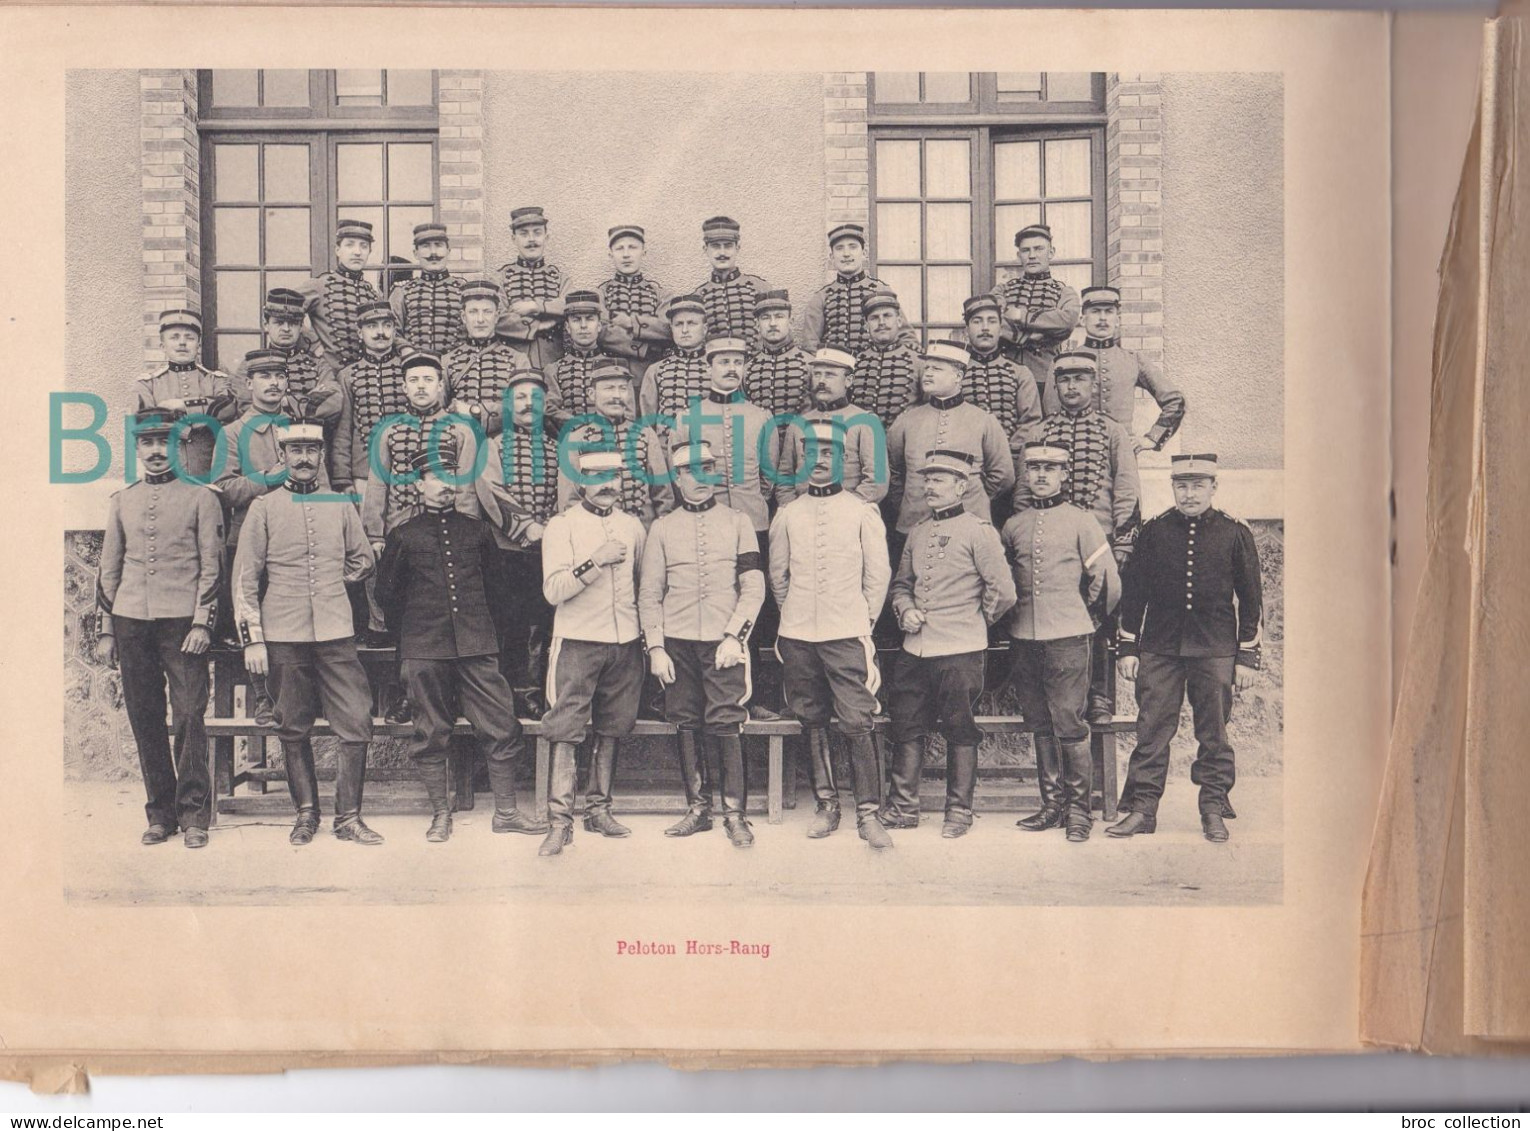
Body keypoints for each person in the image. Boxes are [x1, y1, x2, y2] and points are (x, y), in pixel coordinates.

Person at [375, 443, 548, 843]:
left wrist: (486, 637)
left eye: (451, 477)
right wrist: (416, 639)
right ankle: (440, 814)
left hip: (476, 644)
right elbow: (387, 597)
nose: (445, 486)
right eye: (435, 478)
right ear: (419, 484)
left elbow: (498, 592)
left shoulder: (477, 530)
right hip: (424, 647)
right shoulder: (403, 535)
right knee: (431, 730)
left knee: (503, 725)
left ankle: (505, 812)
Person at [233, 416, 381, 846]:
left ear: (319, 457)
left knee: (356, 721)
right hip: (282, 632)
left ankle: (348, 817)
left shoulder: (340, 504)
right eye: (295, 451)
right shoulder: (263, 507)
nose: (303, 458)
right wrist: (253, 637)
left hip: (335, 630)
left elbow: (363, 559)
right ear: (282, 456)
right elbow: (245, 578)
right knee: (292, 725)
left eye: (311, 451)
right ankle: (305, 814)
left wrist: (335, 585)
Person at [1110, 454, 1264, 844]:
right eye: (1182, 485)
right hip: (1160, 647)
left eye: (1198, 485)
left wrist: (1246, 656)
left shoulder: (1234, 533)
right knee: (1152, 729)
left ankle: (1213, 807)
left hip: (1215, 647)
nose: (1189, 493)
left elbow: (1251, 600)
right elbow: (1134, 595)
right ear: (1173, 487)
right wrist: (1129, 647)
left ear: (1214, 487)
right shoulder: (1155, 532)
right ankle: (1143, 809)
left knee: (1213, 731)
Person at [95, 409, 223, 849]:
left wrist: (204, 622)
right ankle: (160, 814)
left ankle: (194, 816)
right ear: (137, 449)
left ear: (178, 448)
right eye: (146, 444)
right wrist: (108, 630)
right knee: (144, 715)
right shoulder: (122, 500)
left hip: (182, 624)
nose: (155, 452)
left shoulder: (201, 498)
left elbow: (212, 569)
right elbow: (108, 573)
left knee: (189, 715)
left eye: (164, 443)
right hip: (132, 622)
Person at [769, 421, 894, 850]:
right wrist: (798, 616)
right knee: (812, 716)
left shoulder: (861, 512)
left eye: (828, 455)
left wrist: (860, 621)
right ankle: (827, 805)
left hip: (847, 630)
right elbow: (779, 577)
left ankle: (869, 812)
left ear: (843, 460)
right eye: (811, 454)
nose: (819, 463)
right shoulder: (788, 514)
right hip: (799, 632)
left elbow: (878, 576)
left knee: (858, 719)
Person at [639, 440, 765, 848]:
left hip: (723, 640)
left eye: (707, 468)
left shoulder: (738, 521)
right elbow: (649, 593)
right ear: (677, 478)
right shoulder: (661, 528)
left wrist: (736, 636)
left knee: (727, 719)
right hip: (676, 642)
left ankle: (735, 813)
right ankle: (698, 810)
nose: (700, 478)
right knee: (685, 719)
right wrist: (655, 647)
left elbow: (753, 585)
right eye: (691, 471)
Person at [884, 450, 1016, 837]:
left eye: (939, 480)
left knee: (960, 727)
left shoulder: (979, 531)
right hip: (916, 648)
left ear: (962, 486)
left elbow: (1003, 591)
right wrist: (904, 609)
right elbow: (902, 584)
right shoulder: (919, 531)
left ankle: (959, 811)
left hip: (960, 649)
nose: (930, 486)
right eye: (927, 479)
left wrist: (976, 621)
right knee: (906, 724)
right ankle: (904, 807)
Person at [1002, 441, 1121, 842]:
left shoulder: (1081, 521)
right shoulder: (1014, 525)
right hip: (1024, 637)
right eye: (1033, 468)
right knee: (1039, 723)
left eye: (1049, 470)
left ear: (1063, 475)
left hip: (1068, 636)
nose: (1040, 475)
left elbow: (1107, 582)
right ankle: (1051, 805)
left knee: (1069, 723)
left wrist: (1085, 617)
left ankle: (1078, 811)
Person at [1016, 351, 1140, 724]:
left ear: (1092, 384)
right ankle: (1051, 696)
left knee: (1099, 614)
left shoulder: (1112, 431)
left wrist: (1122, 542)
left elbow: (1127, 488)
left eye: (1080, 379)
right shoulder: (1040, 432)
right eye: (1065, 380)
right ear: (1055, 386)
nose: (1072, 386)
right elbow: (1024, 492)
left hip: (1098, 536)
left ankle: (1099, 694)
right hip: (1050, 540)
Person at [539, 448, 649, 856]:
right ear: (581, 481)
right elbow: (553, 591)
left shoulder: (633, 526)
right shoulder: (562, 525)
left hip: (624, 642)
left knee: (613, 725)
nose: (607, 485)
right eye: (597, 477)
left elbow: (642, 585)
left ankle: (598, 810)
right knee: (566, 728)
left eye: (614, 476)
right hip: (578, 639)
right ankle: (559, 822)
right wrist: (594, 562)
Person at [215, 350, 336, 719]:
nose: (273, 383)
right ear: (249, 384)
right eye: (264, 377)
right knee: (253, 614)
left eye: (279, 376)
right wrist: (267, 479)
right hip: (248, 534)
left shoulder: (300, 429)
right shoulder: (232, 432)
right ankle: (265, 697)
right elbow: (223, 487)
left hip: (300, 534)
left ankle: (304, 695)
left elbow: (325, 485)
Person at [475, 367, 560, 717]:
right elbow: (490, 488)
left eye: (535, 398)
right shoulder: (493, 446)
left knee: (541, 625)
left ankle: (533, 694)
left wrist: (551, 527)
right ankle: (503, 699)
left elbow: (566, 492)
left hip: (549, 549)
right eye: (520, 398)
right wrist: (525, 526)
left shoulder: (557, 448)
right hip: (507, 548)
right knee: (507, 623)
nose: (528, 404)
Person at [885, 340, 1016, 536]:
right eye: (927, 367)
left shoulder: (983, 420)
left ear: (958, 376)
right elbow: (893, 469)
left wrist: (971, 495)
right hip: (914, 524)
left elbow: (1003, 475)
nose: (927, 373)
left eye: (937, 369)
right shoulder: (906, 421)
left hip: (969, 524)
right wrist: (908, 501)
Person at [1050, 285, 1186, 452]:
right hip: (1075, 452)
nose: (1102, 318)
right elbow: (1051, 413)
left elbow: (1175, 401)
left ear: (1117, 319)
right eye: (1095, 311)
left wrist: (1151, 439)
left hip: (1121, 453)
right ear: (1083, 319)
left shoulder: (1133, 359)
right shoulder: (1065, 361)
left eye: (1108, 311)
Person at [556, 360, 670, 526]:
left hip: (643, 533)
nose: (616, 395)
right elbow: (569, 502)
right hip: (596, 534)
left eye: (622, 388)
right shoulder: (575, 439)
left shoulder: (645, 435)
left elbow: (663, 495)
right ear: (591, 394)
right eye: (609, 388)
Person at [132, 308, 237, 480]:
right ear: (162, 345)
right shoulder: (147, 383)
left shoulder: (215, 379)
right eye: (174, 337)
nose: (182, 343)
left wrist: (183, 406)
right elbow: (148, 424)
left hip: (210, 469)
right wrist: (201, 418)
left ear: (199, 344)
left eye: (189, 338)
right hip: (167, 472)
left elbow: (227, 408)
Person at [776, 348, 887, 506]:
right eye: (817, 374)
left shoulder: (866, 422)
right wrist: (793, 510)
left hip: (848, 516)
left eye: (830, 374)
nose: (821, 381)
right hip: (802, 517)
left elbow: (877, 481)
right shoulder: (798, 424)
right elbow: (785, 478)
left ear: (848, 380)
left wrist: (840, 511)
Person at [330, 299, 411, 497]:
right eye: (372, 326)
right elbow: (343, 432)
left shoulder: (409, 370)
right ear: (360, 333)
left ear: (394, 330)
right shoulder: (348, 375)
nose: (380, 332)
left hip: (407, 470)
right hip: (364, 471)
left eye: (387, 326)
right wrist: (343, 479)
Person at [800, 223, 913, 355]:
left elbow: (907, 338)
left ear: (864, 253)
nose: (846, 254)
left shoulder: (881, 290)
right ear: (831, 257)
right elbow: (810, 345)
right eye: (839, 248)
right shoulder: (822, 297)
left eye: (853, 247)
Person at [995, 223, 1080, 395]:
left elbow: (1067, 321)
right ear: (1019, 255)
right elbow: (992, 320)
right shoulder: (1002, 290)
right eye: (1026, 250)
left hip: (1045, 377)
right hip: (1005, 375)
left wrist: (1020, 315)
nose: (1032, 256)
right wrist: (1032, 334)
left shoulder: (1064, 291)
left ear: (1051, 253)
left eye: (1038, 249)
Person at [443, 277, 530, 438]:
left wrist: (475, 411)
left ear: (497, 316)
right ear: (463, 317)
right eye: (473, 312)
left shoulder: (518, 360)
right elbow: (438, 411)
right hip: (459, 445)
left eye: (487, 312)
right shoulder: (448, 361)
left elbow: (525, 409)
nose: (480, 320)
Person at [959, 293, 1043, 456]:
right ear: (966, 330)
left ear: (1000, 329)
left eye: (992, 321)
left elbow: (1030, 421)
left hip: (1011, 459)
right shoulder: (955, 373)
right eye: (977, 321)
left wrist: (1008, 454)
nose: (985, 328)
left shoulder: (1020, 373)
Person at [296, 217, 383, 374]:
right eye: (350, 245)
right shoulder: (320, 285)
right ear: (338, 250)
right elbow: (283, 311)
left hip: (363, 378)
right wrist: (314, 345)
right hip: (329, 375)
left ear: (369, 251)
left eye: (363, 246)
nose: (357, 252)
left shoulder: (372, 294)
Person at [230, 288, 335, 415]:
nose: (286, 329)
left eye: (293, 323)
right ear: (266, 324)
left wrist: (286, 402)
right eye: (279, 323)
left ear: (301, 326)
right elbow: (245, 408)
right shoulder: (249, 365)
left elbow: (333, 402)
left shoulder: (318, 365)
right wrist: (308, 399)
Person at [494, 206, 568, 370]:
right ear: (514, 239)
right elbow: (498, 318)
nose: (531, 239)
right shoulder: (501, 278)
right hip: (512, 363)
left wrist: (535, 306)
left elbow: (569, 305)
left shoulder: (560, 278)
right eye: (524, 234)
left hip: (553, 361)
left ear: (546, 237)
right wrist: (539, 325)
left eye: (537, 232)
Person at [597, 225, 673, 381]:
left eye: (632, 248)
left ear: (643, 252)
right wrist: (646, 347)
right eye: (619, 249)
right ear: (610, 254)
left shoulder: (661, 294)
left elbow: (667, 329)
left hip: (650, 375)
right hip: (611, 374)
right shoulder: (601, 293)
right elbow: (601, 332)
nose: (626, 255)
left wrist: (631, 322)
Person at [847, 288, 922, 430]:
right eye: (874, 318)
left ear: (899, 321)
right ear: (866, 325)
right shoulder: (855, 362)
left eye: (887, 316)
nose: (881, 322)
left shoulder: (918, 361)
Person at [389, 222, 466, 357]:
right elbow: (391, 329)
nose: (433, 253)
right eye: (426, 246)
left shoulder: (464, 289)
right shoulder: (402, 292)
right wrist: (405, 349)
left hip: (457, 367)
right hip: (415, 366)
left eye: (439, 245)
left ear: (448, 251)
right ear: (415, 253)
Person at [693, 215, 771, 345]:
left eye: (728, 246)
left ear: (737, 248)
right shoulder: (698, 295)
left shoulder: (760, 288)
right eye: (716, 246)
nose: (722, 252)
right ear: (705, 249)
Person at [544, 290, 615, 429]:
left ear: (599, 325)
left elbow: (627, 414)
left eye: (590, 319)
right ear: (567, 327)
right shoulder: (554, 370)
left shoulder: (614, 367)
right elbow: (549, 409)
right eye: (576, 320)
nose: (583, 326)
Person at [638, 294, 710, 425]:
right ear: (671, 329)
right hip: (666, 444)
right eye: (678, 324)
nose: (684, 330)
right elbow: (648, 423)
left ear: (704, 329)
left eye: (691, 323)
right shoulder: (656, 370)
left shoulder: (717, 367)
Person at [743, 289, 812, 422]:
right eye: (765, 318)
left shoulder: (810, 365)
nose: (772, 323)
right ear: (757, 325)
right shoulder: (747, 370)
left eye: (779, 316)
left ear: (790, 322)